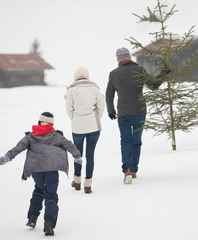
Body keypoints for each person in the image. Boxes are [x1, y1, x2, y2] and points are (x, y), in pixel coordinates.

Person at [0, 112, 81, 236]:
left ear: (39, 122)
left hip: (36, 170)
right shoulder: (56, 136)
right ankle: (49, 222)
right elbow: (69, 145)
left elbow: (19, 147)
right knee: (51, 195)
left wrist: (7, 157)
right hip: (52, 170)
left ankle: (32, 217)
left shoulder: (31, 136)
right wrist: (77, 156)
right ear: (52, 124)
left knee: (39, 190)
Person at [105, 47, 169, 184]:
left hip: (123, 113)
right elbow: (153, 85)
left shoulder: (114, 74)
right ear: (129, 57)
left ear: (118, 59)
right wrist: (163, 73)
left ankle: (127, 169)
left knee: (125, 140)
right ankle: (133, 169)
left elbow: (109, 94)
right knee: (136, 141)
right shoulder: (139, 70)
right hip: (139, 111)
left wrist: (110, 110)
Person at [66, 66, 105, 193]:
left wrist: (76, 120)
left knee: (77, 155)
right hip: (94, 127)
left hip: (78, 128)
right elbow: (101, 107)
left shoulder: (71, 90)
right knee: (90, 156)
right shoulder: (95, 89)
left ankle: (77, 182)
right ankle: (87, 185)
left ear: (76, 77)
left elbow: (69, 110)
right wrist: (95, 118)